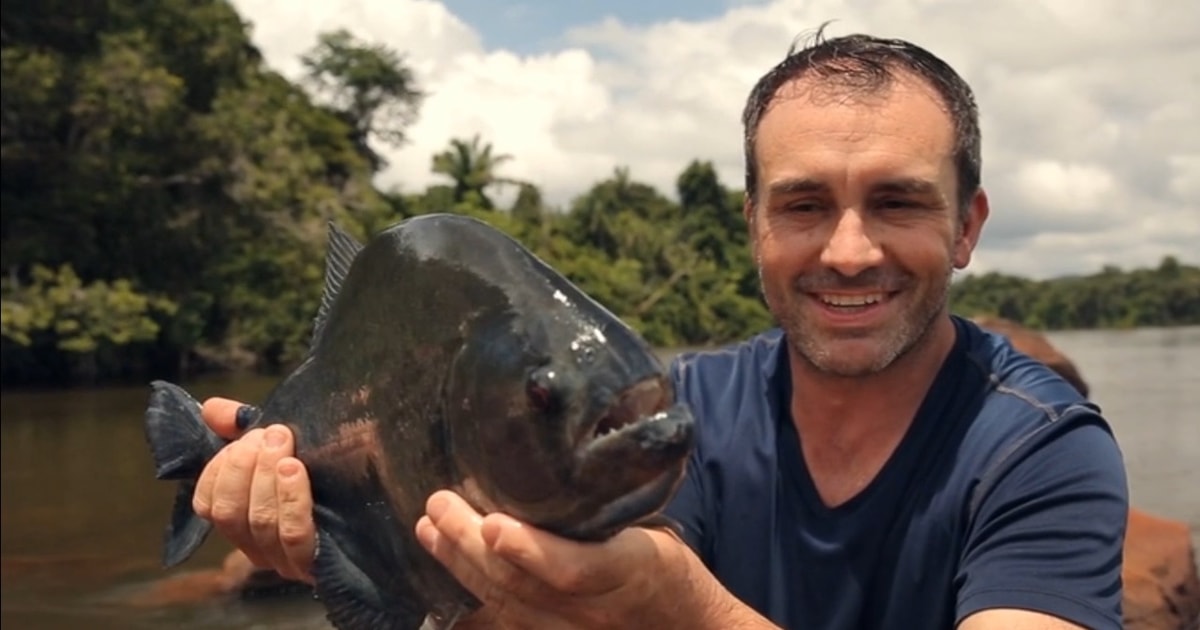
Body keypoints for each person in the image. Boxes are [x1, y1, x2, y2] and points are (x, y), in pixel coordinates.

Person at [190, 27, 1129, 629]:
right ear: (753, 225)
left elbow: (657, 589)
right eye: (803, 205)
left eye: (897, 202)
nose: (848, 251)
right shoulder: (683, 409)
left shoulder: (1042, 452)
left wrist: (682, 610)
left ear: (966, 226)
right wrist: (349, 544)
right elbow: (569, 587)